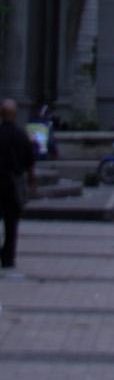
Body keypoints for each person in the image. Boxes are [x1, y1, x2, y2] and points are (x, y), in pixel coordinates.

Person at [0, 99, 37, 271]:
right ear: (14, 115)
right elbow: (30, 162)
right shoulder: (21, 134)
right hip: (14, 183)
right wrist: (31, 182)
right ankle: (8, 258)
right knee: (11, 223)